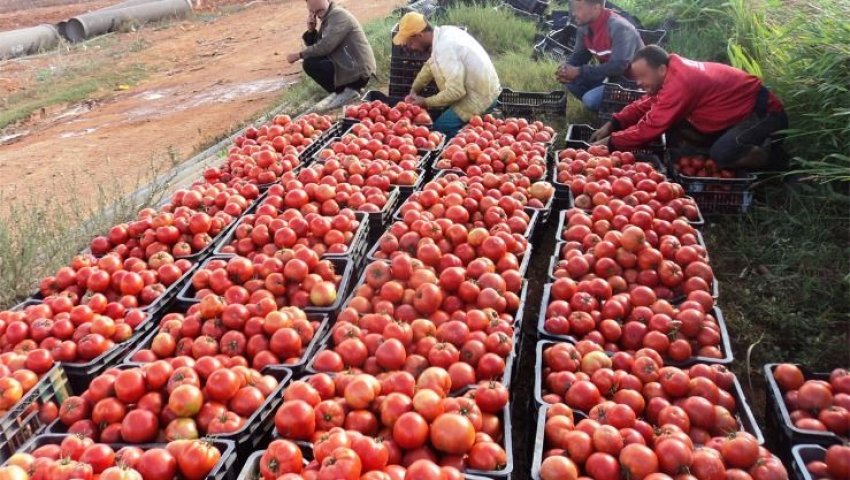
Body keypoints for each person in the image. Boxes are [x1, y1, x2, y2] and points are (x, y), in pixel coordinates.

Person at [590, 46, 788, 170]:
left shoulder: (681, 83)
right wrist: (613, 123)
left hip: (763, 114)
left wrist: (611, 141)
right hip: (733, 115)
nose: (639, 83)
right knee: (680, 129)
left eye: (642, 76)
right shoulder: (671, 74)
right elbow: (646, 104)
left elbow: (648, 128)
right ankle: (724, 148)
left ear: (661, 69)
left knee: (722, 154)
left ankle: (776, 160)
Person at [393, 12, 501, 137]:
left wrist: (425, 101)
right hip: (476, 90)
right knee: (440, 116)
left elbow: (456, 92)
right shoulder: (443, 34)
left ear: (419, 35)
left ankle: (471, 139)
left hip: (479, 97)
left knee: (440, 130)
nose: (411, 48)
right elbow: (430, 66)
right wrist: (414, 89)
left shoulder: (445, 48)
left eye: (410, 43)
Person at [287, 0, 376, 108]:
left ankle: (347, 91)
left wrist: (299, 55)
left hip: (359, 72)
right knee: (312, 60)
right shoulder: (329, 16)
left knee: (309, 63)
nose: (317, 15)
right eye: (314, 12)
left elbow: (325, 46)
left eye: (319, 11)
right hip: (351, 66)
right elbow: (318, 47)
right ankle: (343, 91)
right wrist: (311, 31)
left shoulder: (338, 15)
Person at [556, 0, 643, 112]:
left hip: (632, 83)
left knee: (590, 99)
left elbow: (618, 66)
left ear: (596, 8)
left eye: (579, 8)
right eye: (573, 8)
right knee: (571, 82)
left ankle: (621, 113)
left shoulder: (620, 28)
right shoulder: (584, 27)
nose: (573, 13)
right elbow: (579, 56)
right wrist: (565, 69)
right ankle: (608, 110)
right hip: (611, 78)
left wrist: (579, 71)